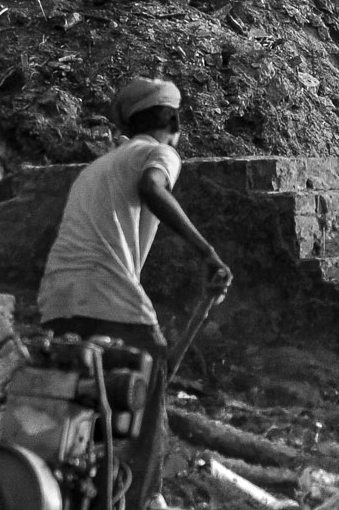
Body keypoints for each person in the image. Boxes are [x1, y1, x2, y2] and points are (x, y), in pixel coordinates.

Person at [36, 77, 234, 510]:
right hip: (109, 297)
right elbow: (151, 187)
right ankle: (145, 500)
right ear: (175, 122)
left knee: (85, 408)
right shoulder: (159, 153)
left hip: (57, 300)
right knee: (144, 402)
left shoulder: (98, 167)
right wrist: (208, 253)